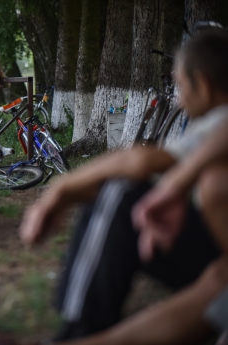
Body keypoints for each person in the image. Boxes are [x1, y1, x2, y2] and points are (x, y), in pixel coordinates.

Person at [17, 29, 228, 342]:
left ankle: (78, 332)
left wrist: (59, 192)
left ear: (205, 86)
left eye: (182, 88)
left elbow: (139, 164)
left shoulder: (221, 120)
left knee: (121, 192)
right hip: (215, 268)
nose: (180, 100)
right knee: (114, 192)